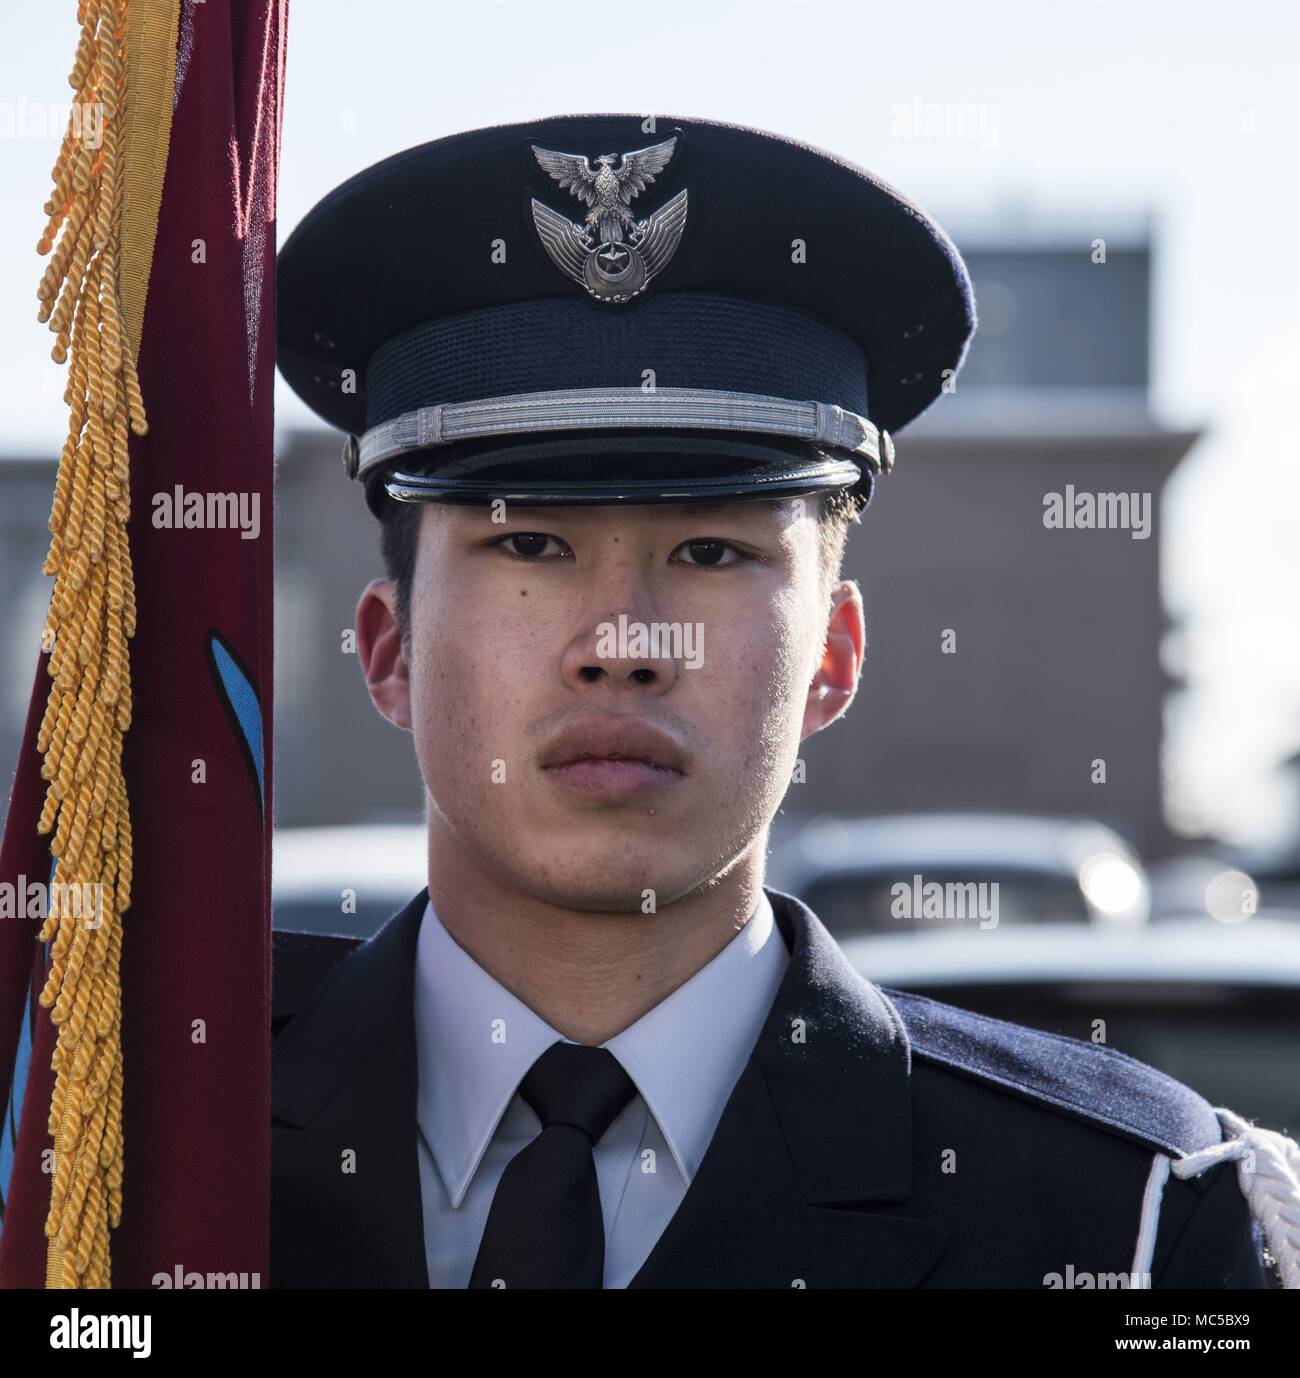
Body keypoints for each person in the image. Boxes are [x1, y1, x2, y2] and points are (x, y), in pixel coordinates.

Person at [269, 113, 1294, 1289]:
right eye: (533, 543)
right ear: (389, 649)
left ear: (833, 657)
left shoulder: (1125, 1215)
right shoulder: (114, 1142)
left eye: (710, 552)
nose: (622, 644)